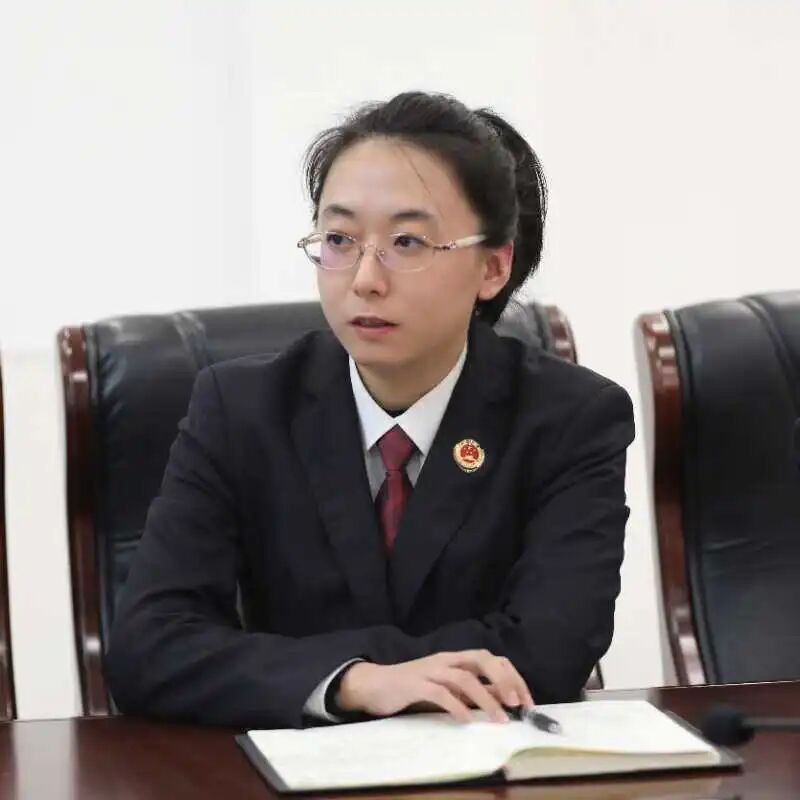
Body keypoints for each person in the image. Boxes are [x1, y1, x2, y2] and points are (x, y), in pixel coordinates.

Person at [106, 91, 635, 730]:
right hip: (288, 764)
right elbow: (148, 646)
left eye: (408, 242)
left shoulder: (571, 419)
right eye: (339, 239)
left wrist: (317, 664)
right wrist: (354, 682)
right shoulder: (241, 409)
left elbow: (551, 650)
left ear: (493, 267)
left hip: (491, 758)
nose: (364, 279)